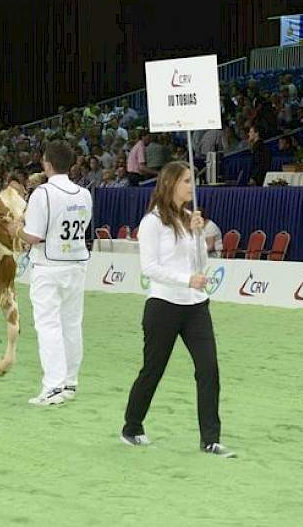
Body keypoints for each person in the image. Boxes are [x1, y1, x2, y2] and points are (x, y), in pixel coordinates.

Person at [121, 161, 235, 458]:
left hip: (196, 306)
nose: (191, 186)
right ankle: (132, 427)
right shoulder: (152, 222)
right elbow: (150, 268)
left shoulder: (191, 219)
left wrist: (198, 236)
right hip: (163, 306)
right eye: (186, 181)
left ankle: (210, 438)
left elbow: (201, 265)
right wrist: (187, 279)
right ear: (171, 183)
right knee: (153, 370)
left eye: (191, 180)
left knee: (208, 368)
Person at [10, 140, 92, 406]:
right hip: (76, 263)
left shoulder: (42, 193)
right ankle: (70, 382)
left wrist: (16, 230)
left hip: (49, 265)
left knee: (48, 325)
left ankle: (53, 386)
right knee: (71, 323)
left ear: (46, 163)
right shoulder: (84, 193)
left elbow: (33, 236)